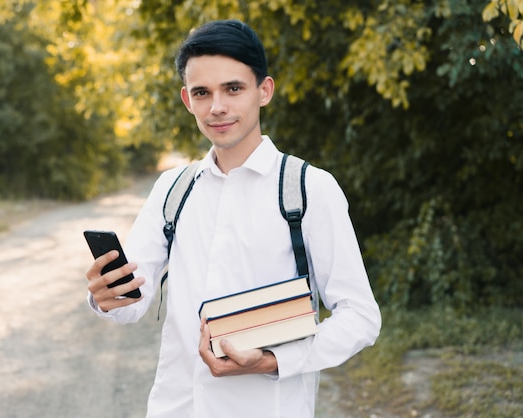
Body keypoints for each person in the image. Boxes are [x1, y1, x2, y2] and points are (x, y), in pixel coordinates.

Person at [86, 19, 381, 418]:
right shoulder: (173, 188)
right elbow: (132, 306)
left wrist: (274, 359)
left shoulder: (309, 188)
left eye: (233, 88)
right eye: (202, 93)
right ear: (187, 100)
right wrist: (107, 298)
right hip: (176, 408)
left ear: (264, 91)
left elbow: (360, 317)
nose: (217, 107)